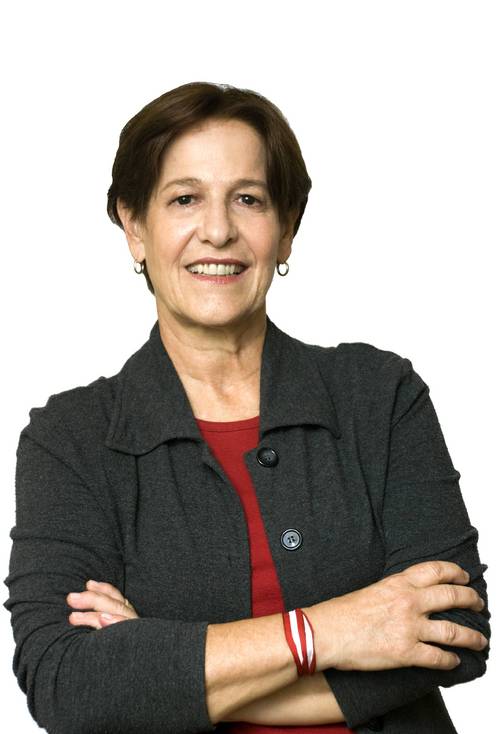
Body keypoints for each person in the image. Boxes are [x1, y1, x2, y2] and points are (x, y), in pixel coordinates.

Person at [3, 81, 490, 734]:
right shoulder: (70, 438)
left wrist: (161, 673)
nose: (218, 230)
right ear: (135, 226)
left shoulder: (379, 394)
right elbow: (66, 683)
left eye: (248, 199)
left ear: (286, 230)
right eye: (184, 199)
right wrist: (329, 631)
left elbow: (455, 629)